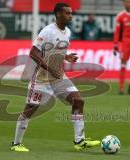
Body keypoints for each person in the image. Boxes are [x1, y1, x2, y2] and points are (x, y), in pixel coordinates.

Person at [11, 3, 100, 152]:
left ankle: (79, 141)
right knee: (31, 108)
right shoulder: (47, 31)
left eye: (71, 13)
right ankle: (16, 143)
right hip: (42, 78)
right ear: (58, 14)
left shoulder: (68, 32)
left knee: (78, 101)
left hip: (58, 77)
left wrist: (66, 57)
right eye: (67, 13)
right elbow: (33, 52)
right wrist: (49, 67)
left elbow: (54, 50)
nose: (70, 15)